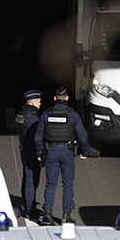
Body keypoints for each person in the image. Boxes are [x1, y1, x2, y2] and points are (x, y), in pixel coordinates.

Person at [34, 86, 88, 225]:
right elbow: (82, 135)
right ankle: (66, 215)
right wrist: (85, 151)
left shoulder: (46, 113)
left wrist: (40, 153)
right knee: (68, 185)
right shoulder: (72, 114)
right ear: (67, 98)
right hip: (67, 152)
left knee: (50, 184)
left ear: (54, 98)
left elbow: (38, 136)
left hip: (51, 151)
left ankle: (47, 213)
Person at [15, 89, 42, 219]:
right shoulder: (32, 117)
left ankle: (27, 204)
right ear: (33, 102)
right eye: (39, 101)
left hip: (24, 150)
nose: (40, 104)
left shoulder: (21, 113)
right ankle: (30, 209)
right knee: (32, 180)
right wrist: (40, 153)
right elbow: (35, 137)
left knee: (27, 179)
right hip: (31, 151)